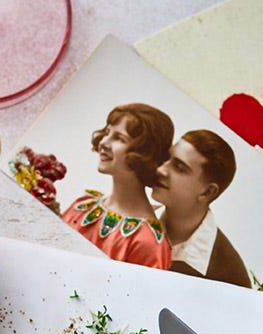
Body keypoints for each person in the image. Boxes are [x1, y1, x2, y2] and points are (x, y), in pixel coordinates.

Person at [62, 103, 173, 270]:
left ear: (145, 153)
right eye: (107, 133)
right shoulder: (82, 206)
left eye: (120, 138)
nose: (104, 142)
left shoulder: (147, 243)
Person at [151, 130, 251, 288]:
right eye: (166, 159)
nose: (161, 170)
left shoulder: (229, 276)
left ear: (207, 192)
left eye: (179, 167)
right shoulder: (132, 218)